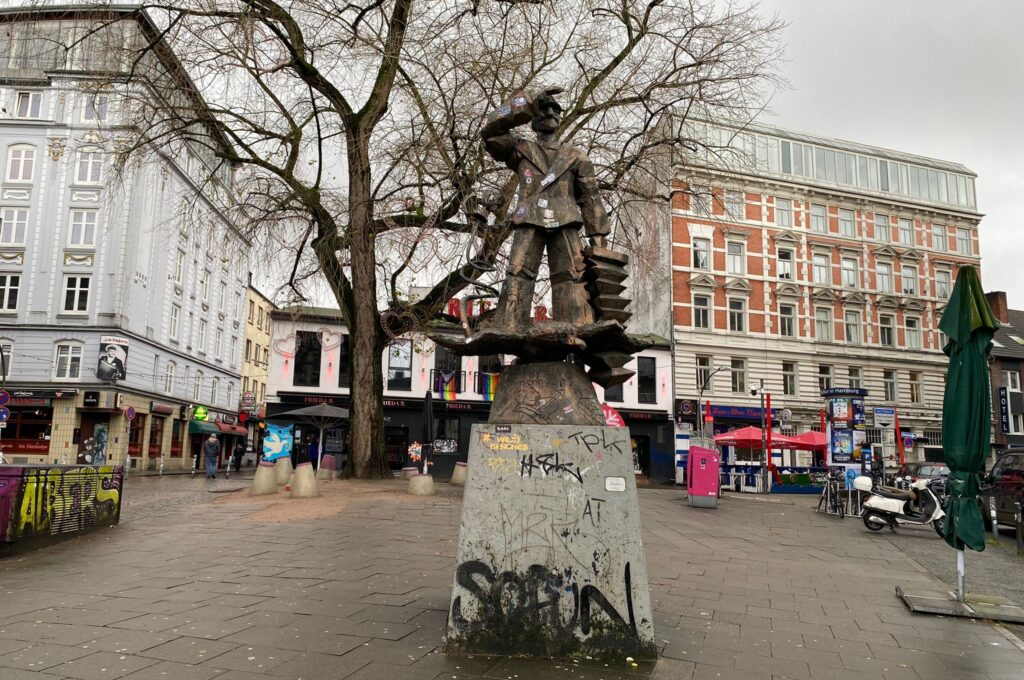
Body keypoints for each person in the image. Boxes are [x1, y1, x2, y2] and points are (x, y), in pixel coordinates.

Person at [480, 87, 610, 331]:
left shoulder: (576, 157)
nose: (549, 112)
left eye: (555, 109)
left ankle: (579, 327)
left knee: (573, 276)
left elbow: (590, 197)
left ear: (560, 118)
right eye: (543, 108)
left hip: (566, 220)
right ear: (533, 119)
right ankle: (510, 326)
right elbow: (490, 131)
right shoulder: (520, 149)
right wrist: (528, 100)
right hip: (529, 219)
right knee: (518, 273)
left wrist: (598, 237)